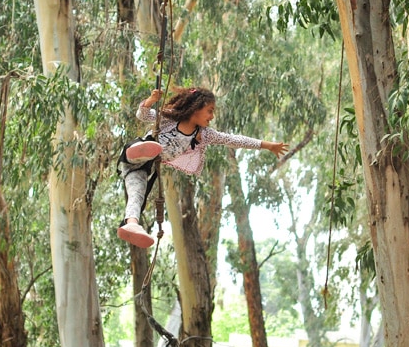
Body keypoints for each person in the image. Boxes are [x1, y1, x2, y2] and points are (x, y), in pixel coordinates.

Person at [117, 86, 288, 248]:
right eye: (210, 110)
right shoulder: (170, 118)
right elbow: (143, 115)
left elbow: (234, 139)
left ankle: (131, 225)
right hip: (134, 157)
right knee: (144, 148)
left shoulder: (203, 135)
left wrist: (267, 145)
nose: (212, 116)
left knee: (137, 196)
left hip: (143, 170)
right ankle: (139, 150)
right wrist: (151, 100)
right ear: (196, 107)